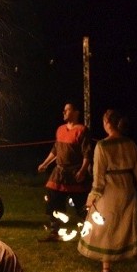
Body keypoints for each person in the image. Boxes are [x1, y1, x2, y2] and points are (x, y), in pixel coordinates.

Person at [78, 109, 137, 272]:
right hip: (127, 191)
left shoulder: (102, 146)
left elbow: (98, 177)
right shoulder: (130, 144)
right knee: (127, 226)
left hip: (110, 192)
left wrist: (92, 198)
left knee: (107, 228)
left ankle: (106, 268)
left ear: (107, 123)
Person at [37, 103, 93, 242]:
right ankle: (54, 232)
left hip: (75, 174)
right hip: (59, 173)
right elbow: (56, 150)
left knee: (81, 206)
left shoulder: (82, 130)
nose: (64, 112)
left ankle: (92, 234)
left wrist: (82, 170)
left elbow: (87, 153)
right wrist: (45, 164)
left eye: (67, 110)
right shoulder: (60, 129)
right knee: (53, 201)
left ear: (76, 112)